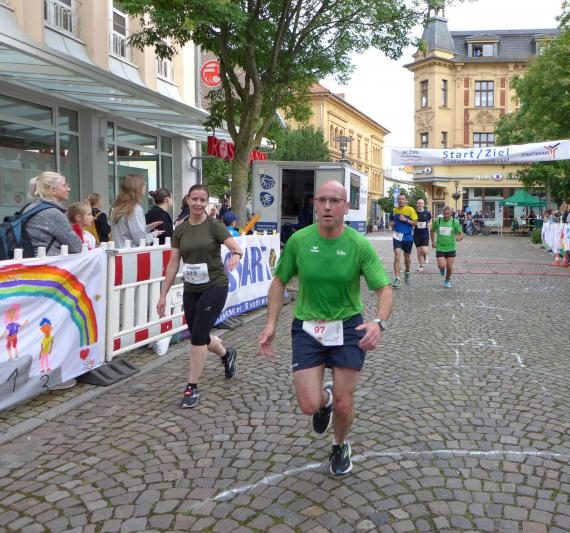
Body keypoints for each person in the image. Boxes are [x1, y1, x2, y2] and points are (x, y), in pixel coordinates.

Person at [258, 180, 393, 476]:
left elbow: (384, 289)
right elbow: (279, 282)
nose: (327, 206)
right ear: (315, 205)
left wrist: (379, 323)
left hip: (348, 328)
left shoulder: (358, 244)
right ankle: (325, 400)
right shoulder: (299, 241)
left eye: (335, 201)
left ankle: (339, 444)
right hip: (307, 328)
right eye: (321, 200)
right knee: (309, 405)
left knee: (345, 405)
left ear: (346, 207)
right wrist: (270, 324)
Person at [156, 184, 244, 408]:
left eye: (202, 200)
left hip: (214, 286)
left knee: (197, 337)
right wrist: (163, 295)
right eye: (194, 199)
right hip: (191, 288)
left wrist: (235, 255)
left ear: (206, 203)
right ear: (188, 200)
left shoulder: (214, 226)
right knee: (199, 333)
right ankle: (226, 354)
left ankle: (192, 387)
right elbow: (173, 263)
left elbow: (236, 248)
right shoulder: (180, 230)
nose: (198, 203)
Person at [22, 172, 82, 256]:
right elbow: (76, 247)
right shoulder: (53, 213)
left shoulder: (29, 208)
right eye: (64, 185)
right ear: (53, 189)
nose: (69, 189)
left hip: (31, 258)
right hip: (50, 260)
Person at [110, 174, 163, 247]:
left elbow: (126, 232)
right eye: (144, 186)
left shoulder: (116, 208)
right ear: (138, 188)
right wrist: (154, 234)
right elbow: (141, 240)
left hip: (119, 252)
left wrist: (148, 227)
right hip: (133, 252)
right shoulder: (135, 209)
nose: (145, 188)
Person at [431, 205, 464, 289]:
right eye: (444, 213)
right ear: (442, 213)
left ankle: (447, 280)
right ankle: (442, 269)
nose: (446, 215)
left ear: (451, 214)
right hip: (440, 247)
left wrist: (460, 237)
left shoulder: (454, 222)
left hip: (451, 247)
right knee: (442, 265)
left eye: (448, 214)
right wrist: (433, 241)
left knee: (449, 266)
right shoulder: (438, 221)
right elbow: (432, 230)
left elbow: (461, 233)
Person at [389, 194, 418, 287]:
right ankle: (397, 278)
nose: (401, 200)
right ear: (397, 201)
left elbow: (415, 223)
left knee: (407, 258)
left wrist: (405, 220)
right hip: (397, 236)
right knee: (397, 256)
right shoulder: (393, 211)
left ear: (406, 201)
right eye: (399, 199)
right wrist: (392, 223)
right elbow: (391, 222)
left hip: (407, 237)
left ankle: (407, 270)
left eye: (402, 199)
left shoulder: (410, 210)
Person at [413, 199, 432, 271]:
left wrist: (429, 224)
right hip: (416, 234)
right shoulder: (414, 213)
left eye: (421, 203)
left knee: (424, 250)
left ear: (423, 204)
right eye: (419, 203)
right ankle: (421, 266)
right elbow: (412, 221)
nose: (420, 204)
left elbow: (430, 221)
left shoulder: (427, 213)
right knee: (419, 251)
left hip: (425, 233)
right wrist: (412, 224)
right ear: (417, 204)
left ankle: (425, 255)